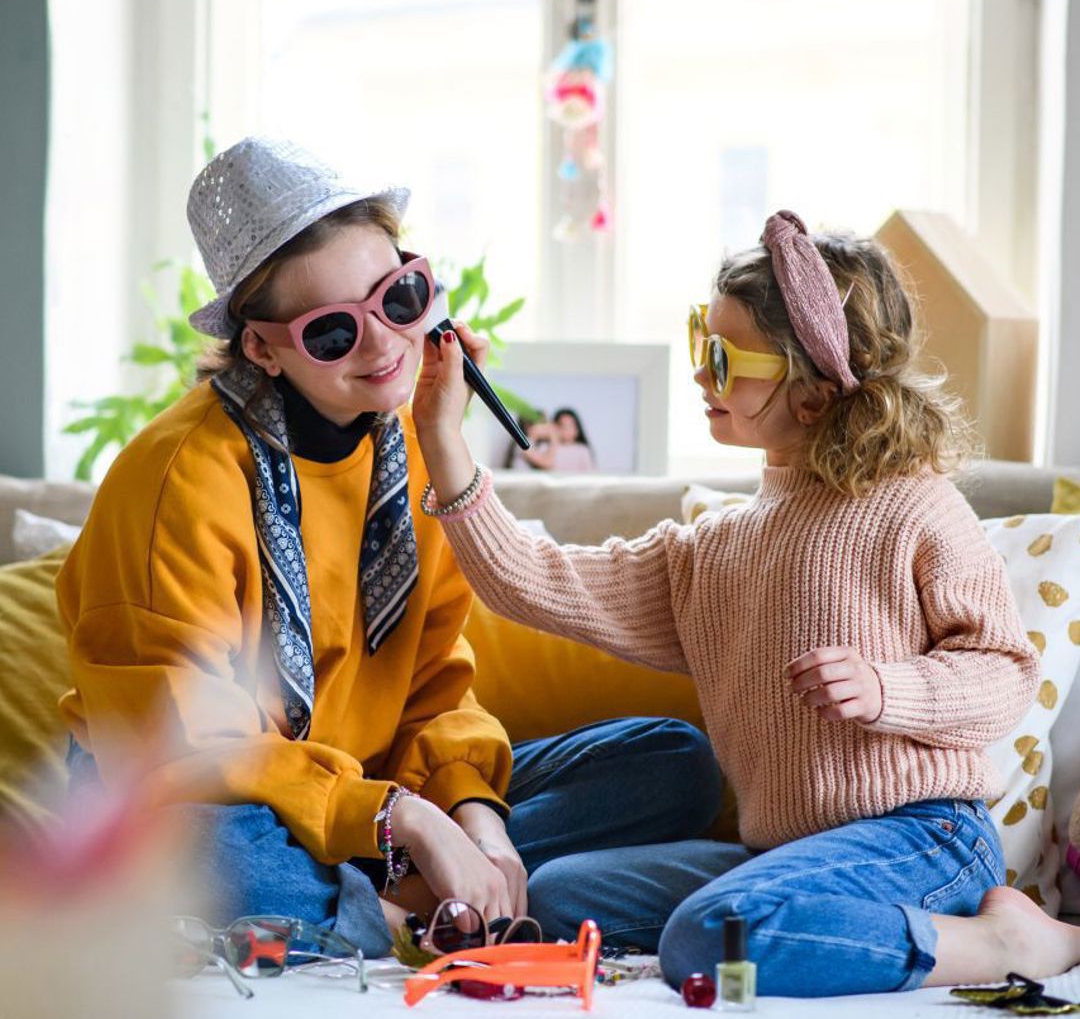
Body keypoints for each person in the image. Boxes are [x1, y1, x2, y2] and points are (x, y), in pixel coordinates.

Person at [55, 137, 726, 961]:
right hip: (200, 786)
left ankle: (399, 898)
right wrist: (402, 818)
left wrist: (475, 815)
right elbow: (183, 742)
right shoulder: (176, 480)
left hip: (364, 783)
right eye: (333, 333)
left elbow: (437, 681)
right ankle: (406, 909)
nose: (383, 347)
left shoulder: (413, 443)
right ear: (261, 347)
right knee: (211, 855)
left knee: (674, 762)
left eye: (399, 298)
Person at [411, 209, 1080, 997]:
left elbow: (1002, 674)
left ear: (813, 390)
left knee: (707, 934)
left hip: (921, 839)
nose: (701, 374)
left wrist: (888, 690)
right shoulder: (715, 547)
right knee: (563, 895)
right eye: (703, 343)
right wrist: (439, 432)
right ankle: (782, 920)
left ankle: (1011, 942)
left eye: (725, 359)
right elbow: (534, 579)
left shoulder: (915, 507)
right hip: (785, 856)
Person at [516, 408, 595, 472]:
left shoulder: (582, 450)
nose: (547, 427)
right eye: (561, 425)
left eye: (570, 426)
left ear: (577, 430)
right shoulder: (528, 446)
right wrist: (553, 437)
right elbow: (548, 464)